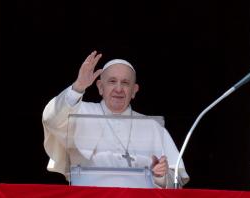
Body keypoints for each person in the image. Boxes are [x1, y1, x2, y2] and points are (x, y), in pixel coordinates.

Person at [42, 51, 189, 188]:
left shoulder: (152, 127)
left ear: (134, 91)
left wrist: (161, 176)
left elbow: (176, 181)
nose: (118, 89)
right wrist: (78, 87)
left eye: (125, 83)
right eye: (112, 81)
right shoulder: (78, 111)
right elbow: (51, 120)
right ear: (100, 86)